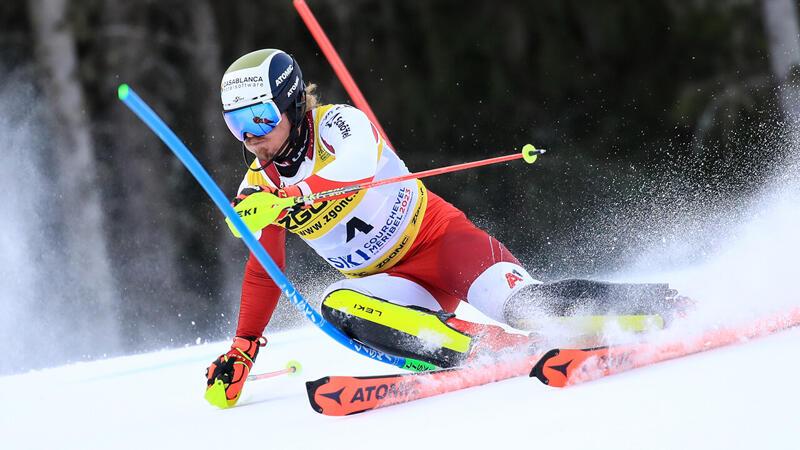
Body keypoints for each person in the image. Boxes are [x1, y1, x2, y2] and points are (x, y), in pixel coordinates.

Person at [205, 48, 686, 408]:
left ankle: (665, 304)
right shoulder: (258, 188)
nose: (252, 137)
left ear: (291, 106)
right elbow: (264, 271)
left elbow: (351, 171)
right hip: (395, 286)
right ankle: (498, 349)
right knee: (336, 304)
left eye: (261, 118)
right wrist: (242, 351)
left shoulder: (340, 126)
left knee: (525, 305)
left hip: (441, 241)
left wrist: (289, 197)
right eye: (236, 125)